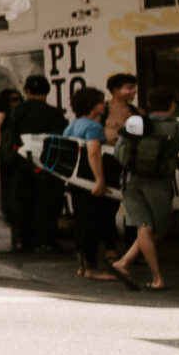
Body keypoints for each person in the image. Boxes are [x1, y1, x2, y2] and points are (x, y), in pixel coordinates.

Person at [109, 84, 179, 292]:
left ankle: (127, 265)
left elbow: (117, 152)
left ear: (149, 104)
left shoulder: (136, 123)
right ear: (173, 105)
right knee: (156, 230)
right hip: (158, 184)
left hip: (129, 180)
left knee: (143, 226)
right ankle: (152, 275)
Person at [1, 73, 67, 252]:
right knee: (48, 203)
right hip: (48, 165)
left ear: (27, 90)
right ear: (47, 91)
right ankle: (46, 240)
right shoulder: (54, 114)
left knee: (24, 202)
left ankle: (26, 240)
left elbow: (8, 136)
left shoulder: (16, 112)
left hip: (22, 163)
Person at [59, 86, 116, 284]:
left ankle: (82, 266)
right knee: (92, 224)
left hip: (76, 182)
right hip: (90, 181)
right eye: (101, 101)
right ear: (92, 105)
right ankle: (92, 268)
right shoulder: (93, 127)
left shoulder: (72, 125)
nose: (104, 104)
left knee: (81, 223)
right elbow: (93, 152)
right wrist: (100, 179)